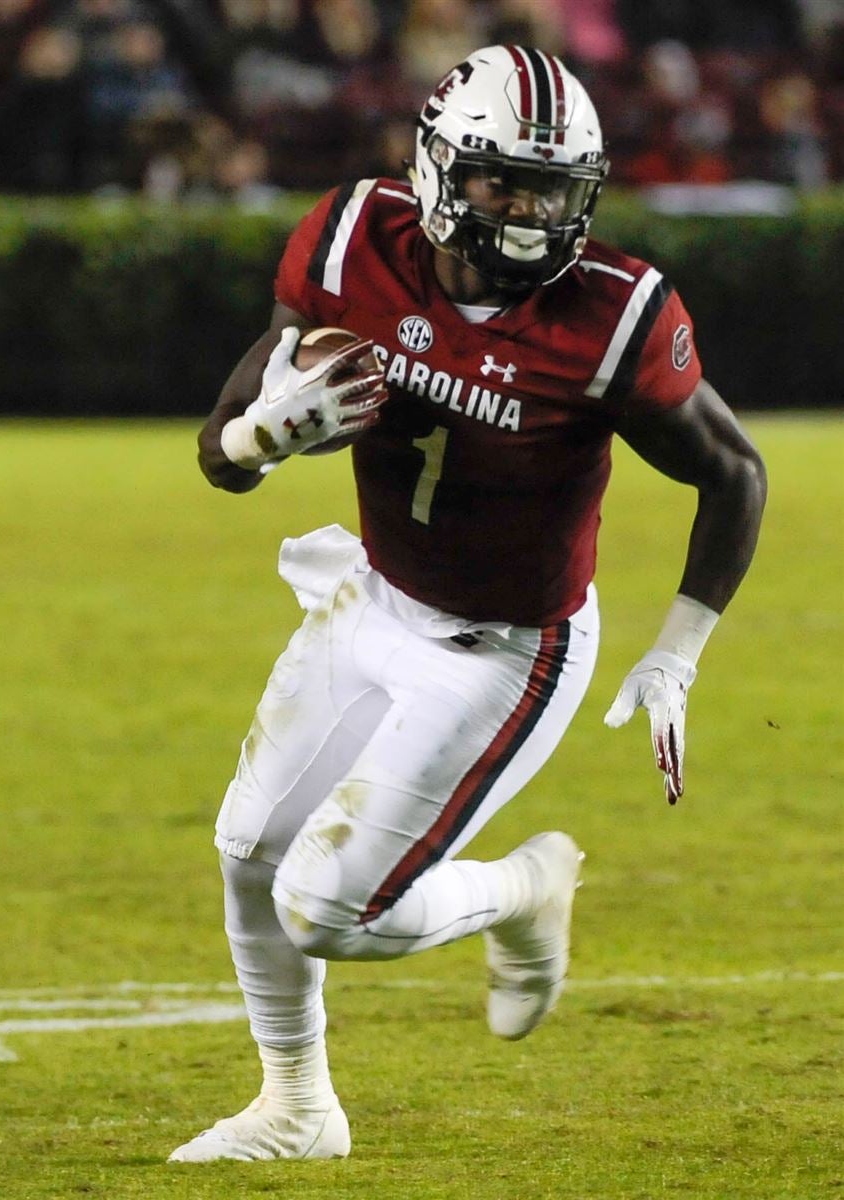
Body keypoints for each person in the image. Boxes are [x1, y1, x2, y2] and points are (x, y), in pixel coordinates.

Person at [169, 45, 767, 1165]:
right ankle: (297, 1108)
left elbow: (732, 473)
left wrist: (678, 651)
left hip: (508, 650)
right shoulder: (354, 242)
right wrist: (259, 438)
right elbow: (220, 456)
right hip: (375, 595)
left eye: (554, 187)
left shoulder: (611, 316)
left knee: (323, 910)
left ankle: (523, 887)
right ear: (442, 168)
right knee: (249, 849)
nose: (533, 210)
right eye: (505, 181)